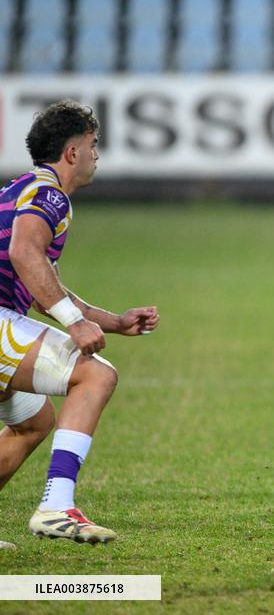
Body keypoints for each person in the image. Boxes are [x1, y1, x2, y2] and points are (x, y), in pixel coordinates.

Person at [0, 100, 159, 547]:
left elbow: (42, 285)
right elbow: (24, 253)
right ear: (72, 152)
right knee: (96, 375)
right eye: (93, 144)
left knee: (33, 422)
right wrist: (73, 324)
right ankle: (56, 506)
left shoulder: (23, 190)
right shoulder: (49, 195)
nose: (96, 154)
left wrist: (115, 322)